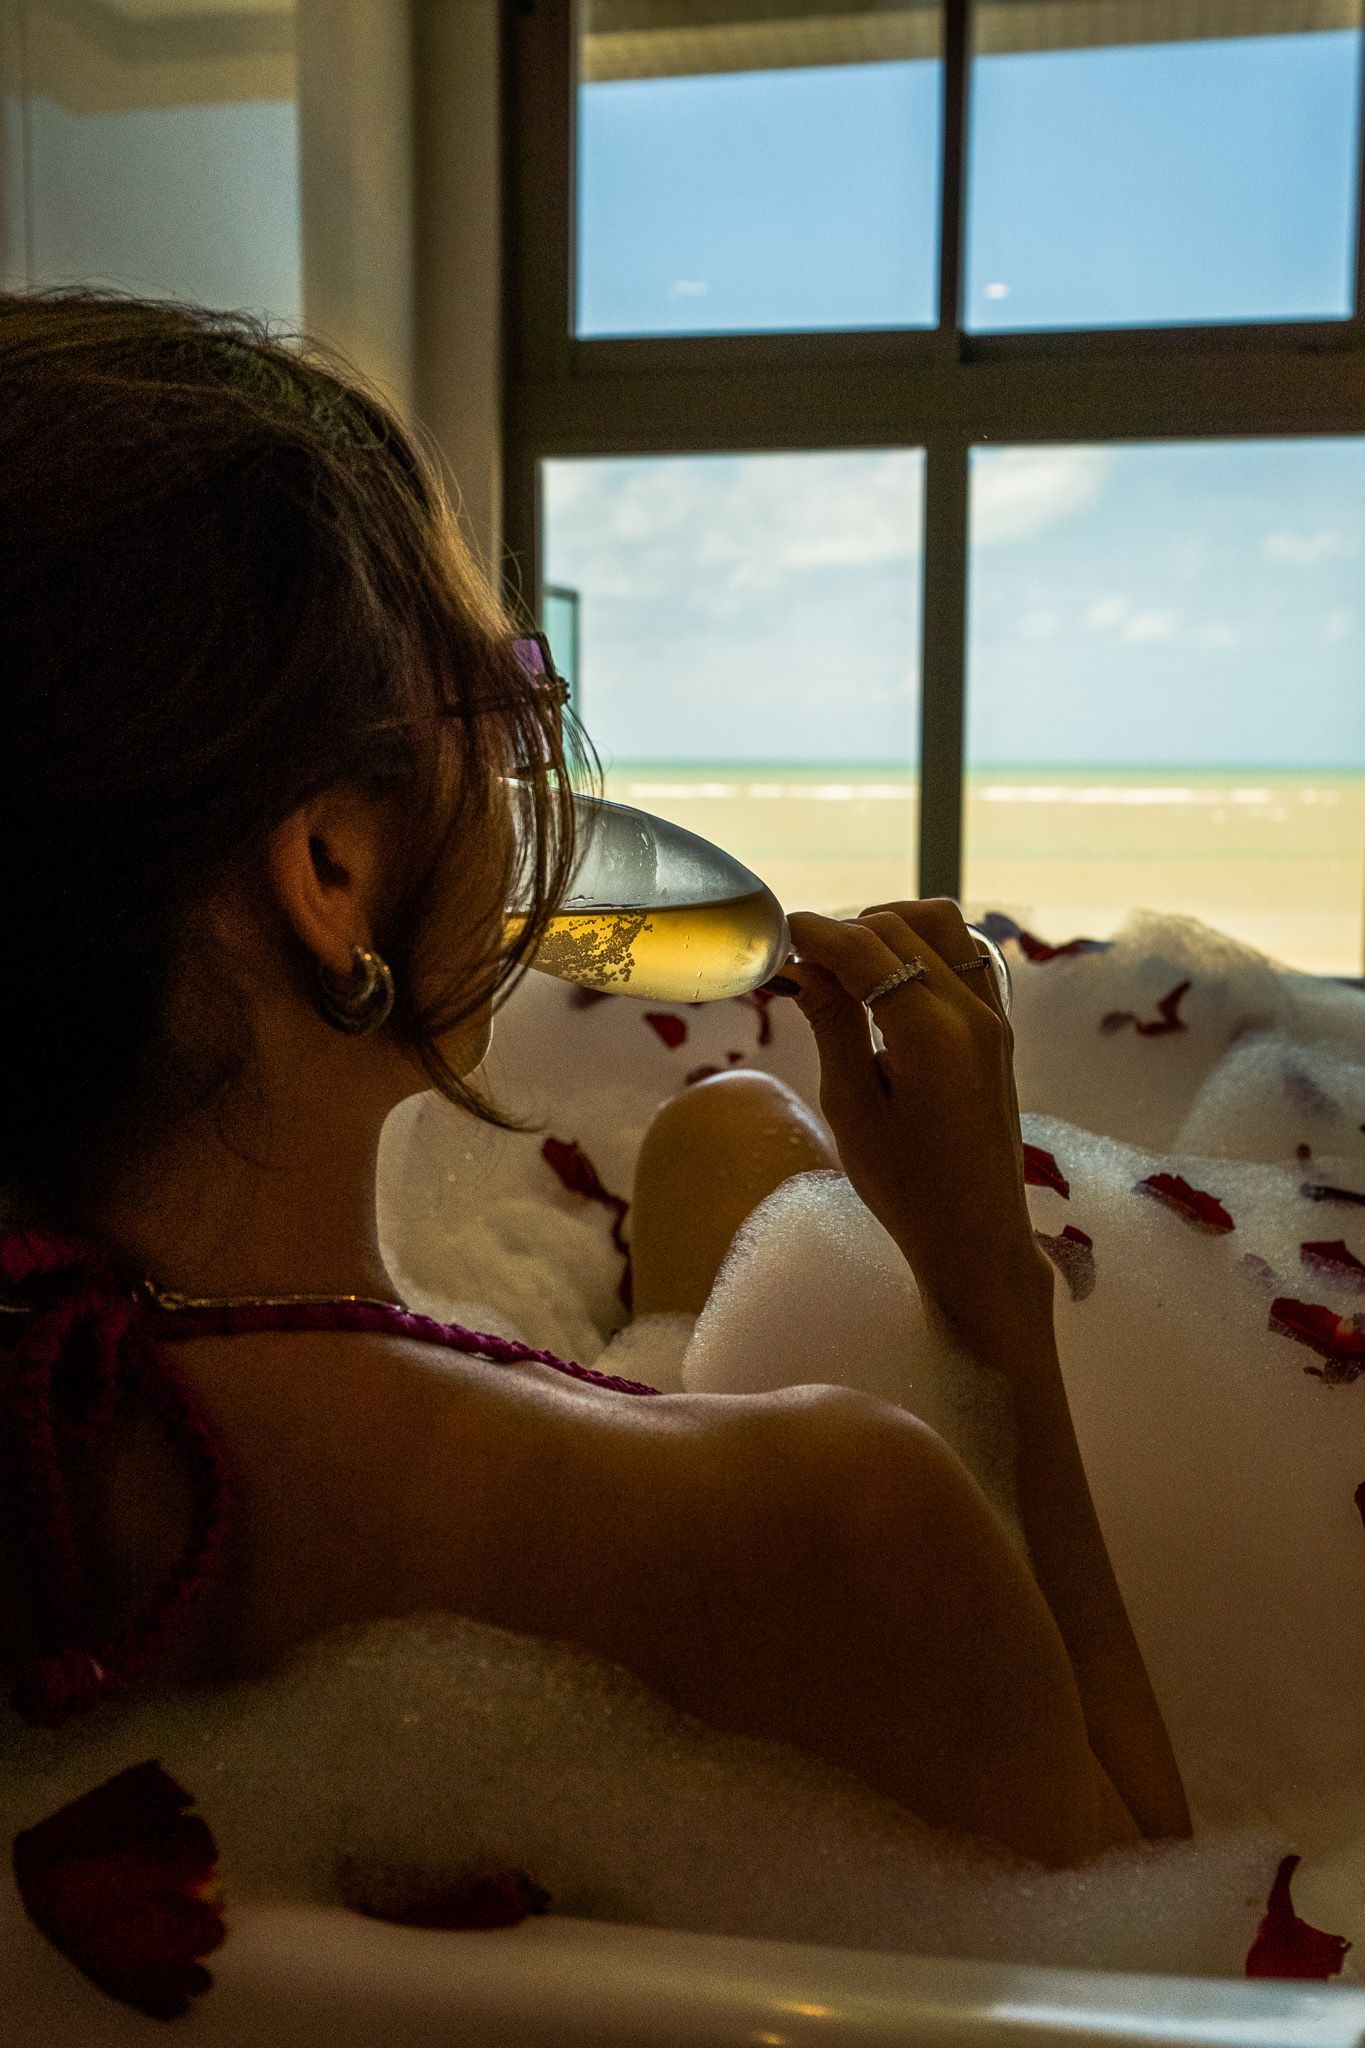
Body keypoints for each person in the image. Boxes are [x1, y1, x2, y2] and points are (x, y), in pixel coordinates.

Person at [0, 290, 1189, 1870]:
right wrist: (989, 1298)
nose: (521, 774)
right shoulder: (841, 1527)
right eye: (494, 706)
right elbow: (1161, 1938)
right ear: (332, 865)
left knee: (722, 1135)